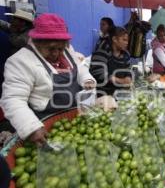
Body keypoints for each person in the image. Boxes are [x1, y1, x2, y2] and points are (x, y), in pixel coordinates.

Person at [0, 13, 96, 146]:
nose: (56, 53)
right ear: (37, 43)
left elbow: (80, 68)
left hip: (74, 118)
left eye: (60, 49)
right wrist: (31, 127)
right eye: (50, 49)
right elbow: (12, 99)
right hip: (44, 124)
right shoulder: (20, 61)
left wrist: (87, 80)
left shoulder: (67, 50)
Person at [90, 27, 132, 96]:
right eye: (124, 40)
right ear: (114, 39)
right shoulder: (101, 52)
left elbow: (128, 71)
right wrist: (120, 81)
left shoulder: (126, 55)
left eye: (127, 40)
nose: (127, 43)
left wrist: (128, 78)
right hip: (102, 94)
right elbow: (98, 73)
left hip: (120, 93)